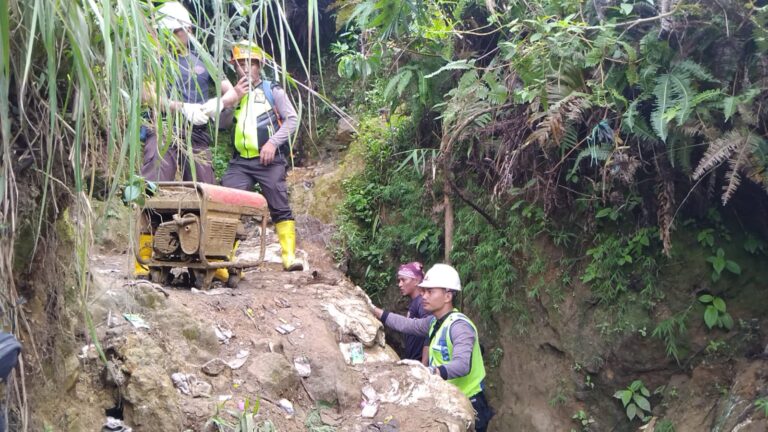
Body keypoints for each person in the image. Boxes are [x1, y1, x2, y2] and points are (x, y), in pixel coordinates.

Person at [135, 1, 233, 280]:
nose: (173, 36)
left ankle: (212, 257)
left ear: (188, 29)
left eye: (176, 31)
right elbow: (147, 95)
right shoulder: (156, 59)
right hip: (163, 129)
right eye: (168, 32)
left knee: (206, 190)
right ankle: (144, 254)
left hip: (198, 134)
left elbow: (229, 91)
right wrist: (182, 107)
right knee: (153, 185)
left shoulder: (204, 60)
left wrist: (217, 103)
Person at [204, 40, 302, 271]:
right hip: (240, 162)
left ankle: (289, 257)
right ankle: (221, 260)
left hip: (269, 160)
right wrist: (231, 100)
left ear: (260, 65)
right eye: (240, 64)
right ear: (235, 67)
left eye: (251, 63)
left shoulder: (272, 90)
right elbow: (222, 124)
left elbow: (292, 119)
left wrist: (272, 143)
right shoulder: (235, 93)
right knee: (226, 205)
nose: (246, 68)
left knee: (279, 205)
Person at [370, 264, 494, 432]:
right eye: (424, 291)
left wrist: (430, 372)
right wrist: (373, 309)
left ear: (447, 296)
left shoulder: (459, 326)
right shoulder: (434, 322)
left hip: (470, 403)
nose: (424, 296)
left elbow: (462, 364)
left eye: (430, 292)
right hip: (449, 397)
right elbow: (406, 325)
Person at [396, 262, 430, 363]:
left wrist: (424, 365)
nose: (400, 284)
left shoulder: (421, 303)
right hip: (413, 360)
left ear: (416, 281)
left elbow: (429, 332)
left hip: (419, 362)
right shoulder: (415, 302)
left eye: (403, 280)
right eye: (399, 280)